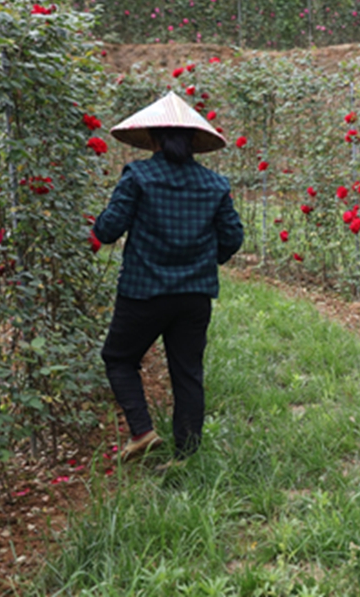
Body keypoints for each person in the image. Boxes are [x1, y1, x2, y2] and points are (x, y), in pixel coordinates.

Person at [93, 92, 244, 465]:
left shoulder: (139, 176)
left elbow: (109, 230)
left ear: (154, 138)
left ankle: (142, 432)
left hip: (143, 292)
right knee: (187, 372)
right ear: (193, 141)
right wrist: (205, 260)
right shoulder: (215, 185)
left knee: (118, 357)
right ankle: (187, 456)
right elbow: (233, 238)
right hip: (194, 295)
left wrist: (101, 222)